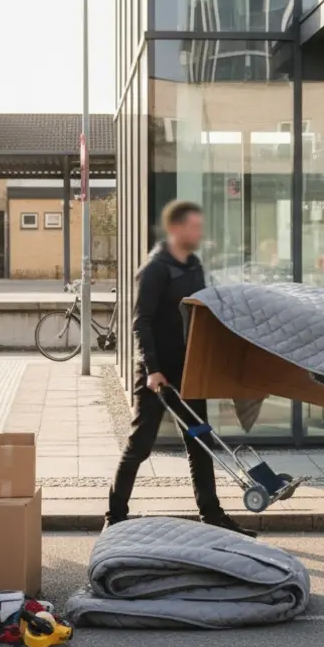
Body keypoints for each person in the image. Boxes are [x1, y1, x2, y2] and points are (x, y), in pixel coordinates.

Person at [105, 199, 256, 537]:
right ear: (175, 228)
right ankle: (114, 518)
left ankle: (213, 517)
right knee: (140, 445)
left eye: (201, 227)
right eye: (194, 227)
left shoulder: (194, 266)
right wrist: (153, 369)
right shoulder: (156, 269)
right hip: (157, 375)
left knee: (200, 442)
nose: (199, 233)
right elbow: (140, 322)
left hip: (189, 372)